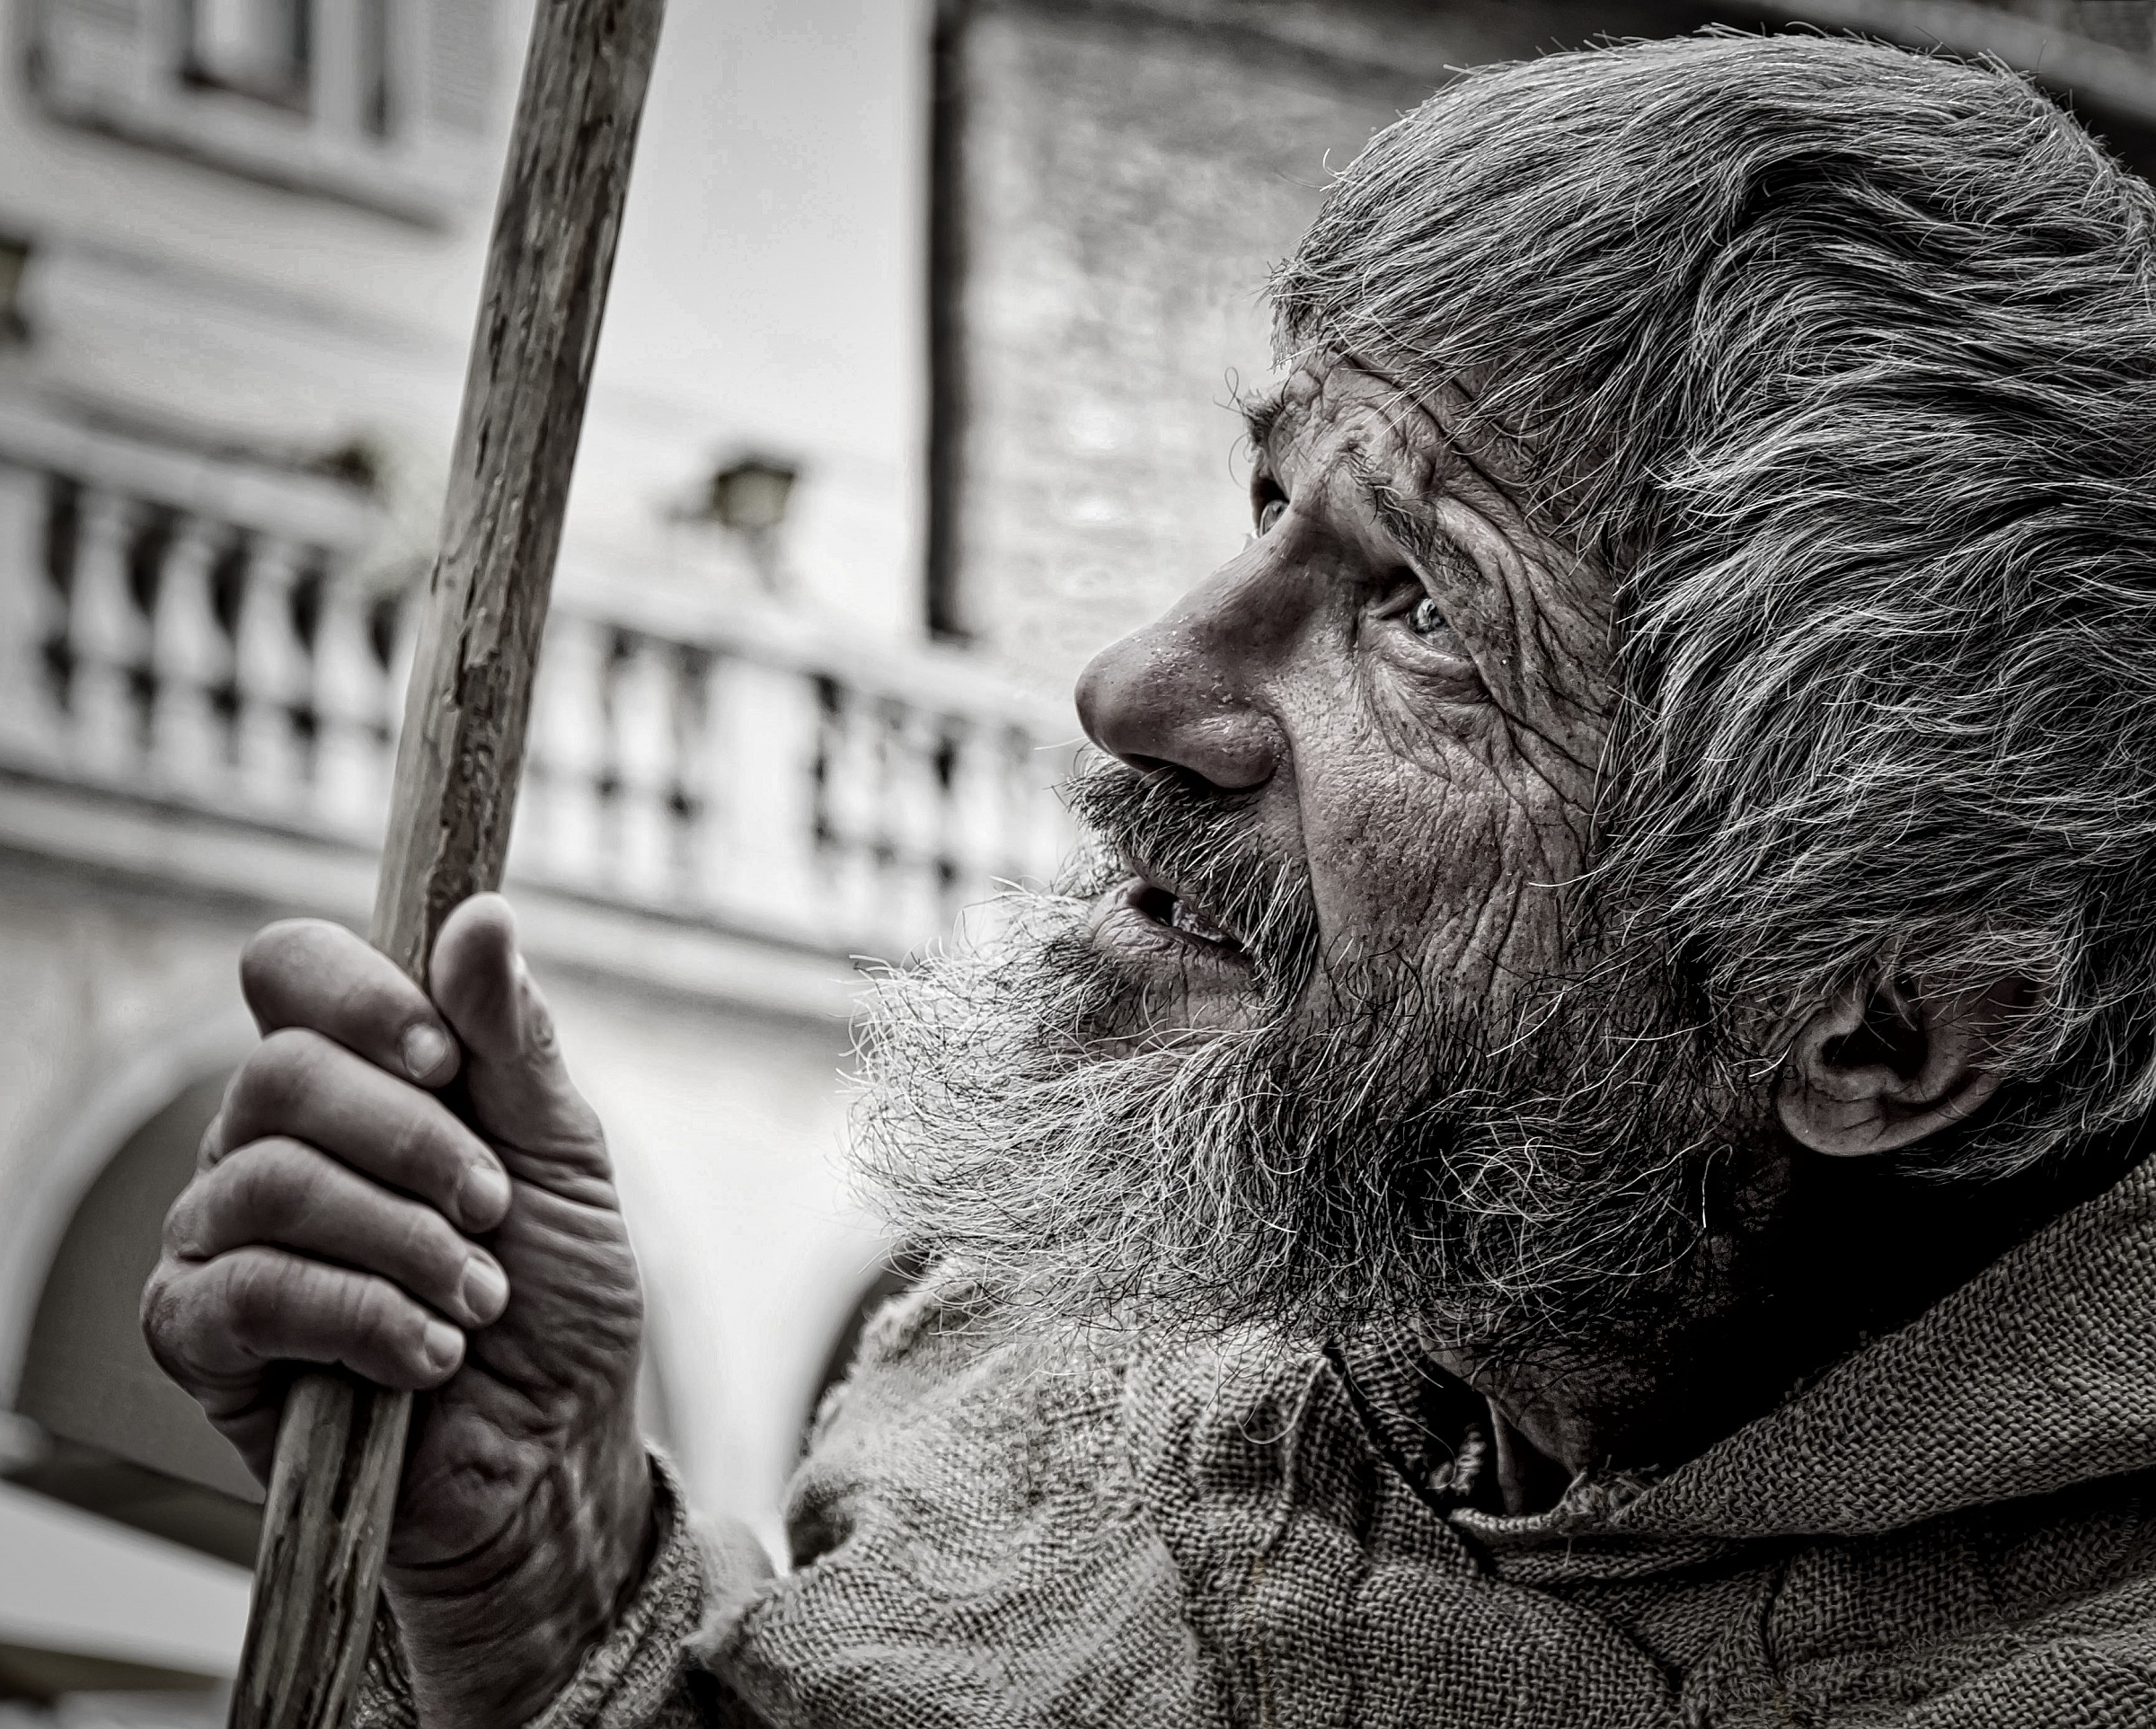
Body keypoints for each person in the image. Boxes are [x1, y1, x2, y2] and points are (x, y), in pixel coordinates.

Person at [145, 31, 2156, 1727]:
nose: (1139, 687)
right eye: (1271, 497)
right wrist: (551, 1584)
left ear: (1881, 1030)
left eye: (1426, 615)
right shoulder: (1069, 1346)